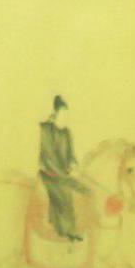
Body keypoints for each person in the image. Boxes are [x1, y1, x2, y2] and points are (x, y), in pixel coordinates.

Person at [39, 96, 87, 242]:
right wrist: (64, 176)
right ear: (56, 113)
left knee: (84, 188)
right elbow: (47, 159)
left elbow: (71, 155)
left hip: (64, 174)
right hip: (49, 173)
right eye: (63, 114)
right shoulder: (46, 130)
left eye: (67, 115)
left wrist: (74, 165)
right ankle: (66, 231)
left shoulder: (66, 133)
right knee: (65, 192)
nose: (66, 118)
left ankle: (73, 229)